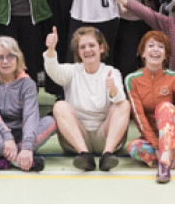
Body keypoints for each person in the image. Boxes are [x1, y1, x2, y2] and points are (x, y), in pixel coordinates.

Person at [45, 26, 131, 172]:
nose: (87, 50)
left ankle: (107, 155)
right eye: (82, 47)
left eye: (92, 45)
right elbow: (53, 71)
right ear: (78, 52)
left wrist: (113, 90)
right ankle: (84, 155)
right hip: (77, 137)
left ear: (101, 48)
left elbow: (119, 98)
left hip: (104, 136)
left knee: (124, 104)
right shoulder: (72, 71)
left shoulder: (111, 72)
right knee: (59, 105)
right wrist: (51, 49)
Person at [125, 31, 175, 183]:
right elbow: (139, 118)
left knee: (165, 107)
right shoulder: (132, 80)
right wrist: (157, 145)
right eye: (151, 46)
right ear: (143, 53)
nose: (155, 50)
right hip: (153, 136)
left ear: (166, 55)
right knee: (133, 148)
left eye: (161, 47)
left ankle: (164, 164)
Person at [0, 37, 54, 172]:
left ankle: (4, 160)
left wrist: (27, 146)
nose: (5, 61)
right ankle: (19, 160)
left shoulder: (28, 84)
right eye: (0, 57)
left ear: (18, 58)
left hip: (23, 137)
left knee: (50, 121)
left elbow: (30, 115)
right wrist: (7, 138)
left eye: (10, 56)